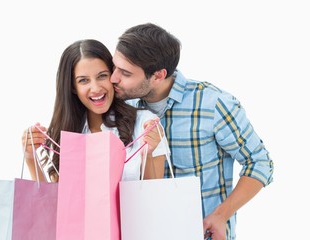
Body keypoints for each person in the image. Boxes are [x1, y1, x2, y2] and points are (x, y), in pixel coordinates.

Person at [110, 23, 274, 240]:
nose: (113, 78)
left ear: (158, 75)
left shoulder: (213, 103)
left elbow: (260, 162)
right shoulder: (123, 111)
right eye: (114, 67)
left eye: (125, 73)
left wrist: (221, 215)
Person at [22, 39, 168, 183]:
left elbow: (153, 196)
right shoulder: (63, 133)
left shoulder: (144, 124)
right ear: (73, 87)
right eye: (83, 80)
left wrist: (148, 154)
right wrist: (30, 157)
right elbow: (53, 202)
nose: (96, 88)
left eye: (102, 76)